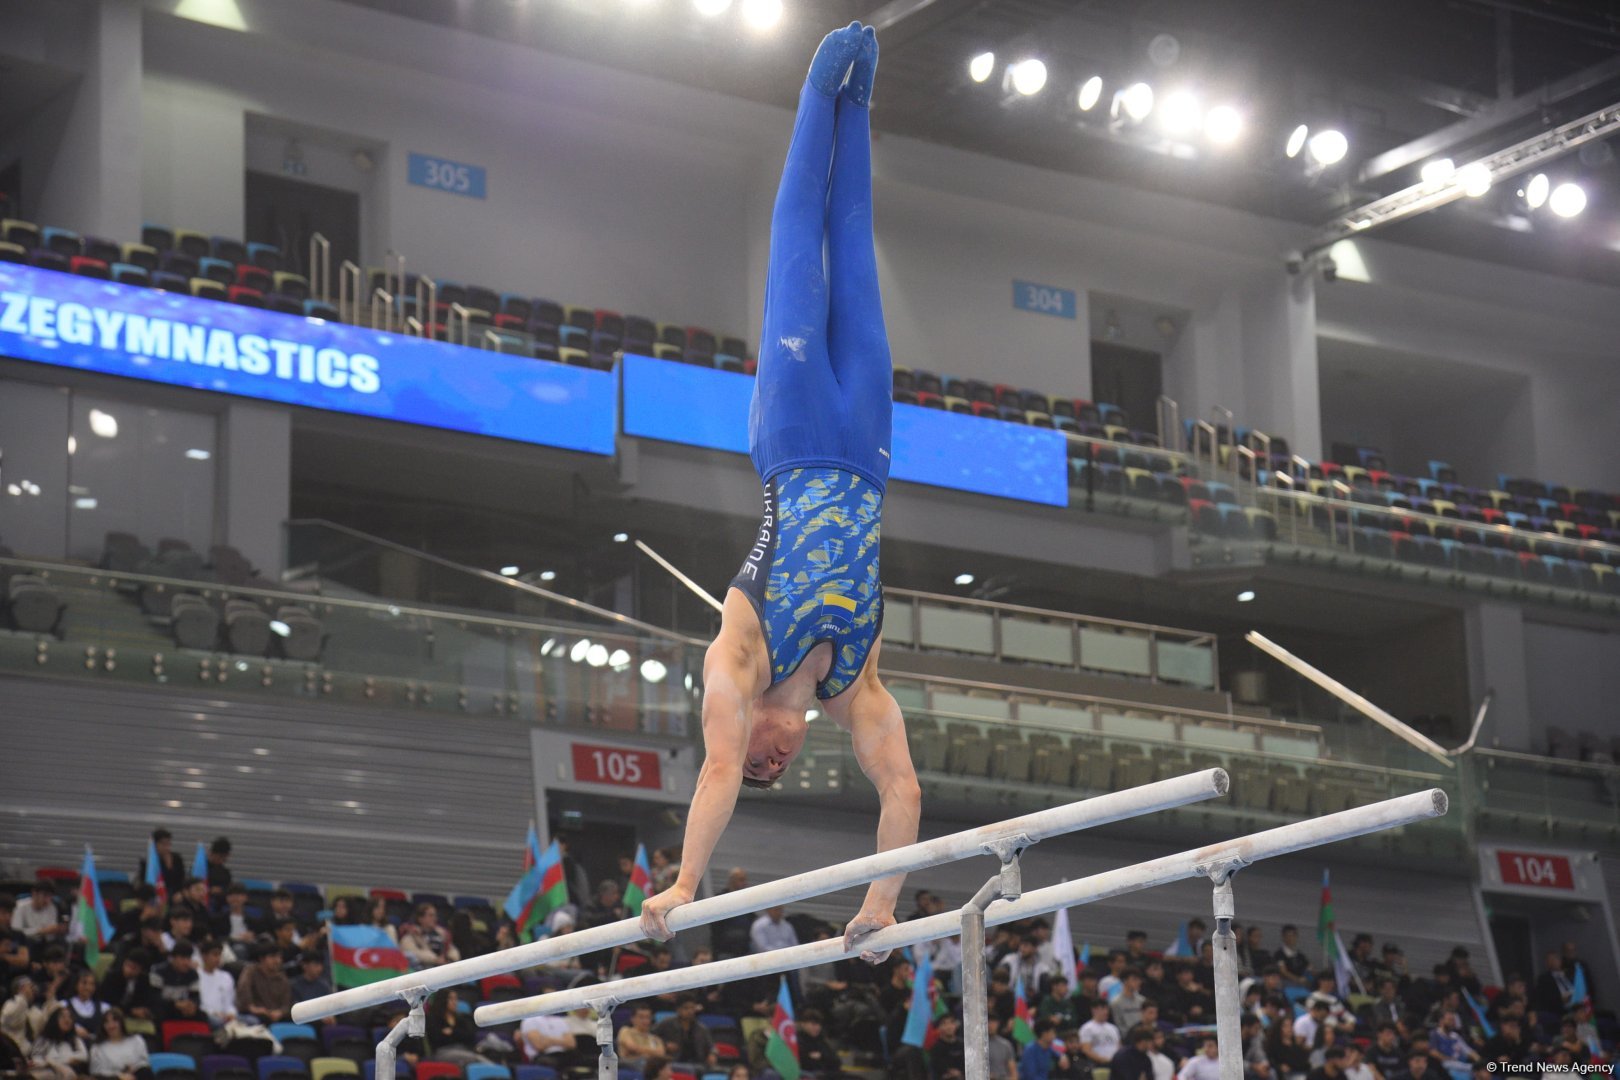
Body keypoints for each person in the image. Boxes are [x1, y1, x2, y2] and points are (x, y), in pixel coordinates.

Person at [638, 22, 921, 964]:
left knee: (800, 250)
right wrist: (882, 903)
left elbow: (717, 767)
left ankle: (817, 91)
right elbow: (902, 794)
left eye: (757, 760)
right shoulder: (857, 685)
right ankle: (862, 106)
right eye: (775, 771)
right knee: (860, 249)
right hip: (871, 452)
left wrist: (685, 885)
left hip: (797, 438)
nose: (765, 763)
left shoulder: (739, 660)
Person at [655, 994, 717, 1069]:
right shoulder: (666, 1023)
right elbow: (652, 1037)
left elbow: (712, 1046)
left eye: (692, 1008)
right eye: (686, 1008)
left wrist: (712, 1054)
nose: (690, 1011)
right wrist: (665, 1044)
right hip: (673, 1061)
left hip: (698, 1062)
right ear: (678, 1009)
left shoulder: (701, 1028)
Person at [236, 943, 292, 1024]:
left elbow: (286, 1003)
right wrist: (252, 1008)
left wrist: (280, 1012)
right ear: (262, 959)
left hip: (277, 1015)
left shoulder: (282, 979)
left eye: (279, 957)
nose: (277, 961)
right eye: (273, 957)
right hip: (256, 1013)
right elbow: (243, 990)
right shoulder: (251, 972)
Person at [88, 1008, 151, 1080]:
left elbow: (143, 1061)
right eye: (107, 1022)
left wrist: (132, 1070)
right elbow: (96, 1071)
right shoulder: (97, 1048)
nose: (111, 1025)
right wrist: (119, 1076)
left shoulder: (136, 1040)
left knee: (145, 1071)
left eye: (115, 1021)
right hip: (113, 1078)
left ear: (121, 1022)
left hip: (136, 1075)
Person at [28, 1005, 87, 1080]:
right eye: (63, 1017)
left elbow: (83, 1056)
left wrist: (54, 1061)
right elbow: (36, 1060)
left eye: (70, 1017)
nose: (67, 1020)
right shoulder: (44, 1040)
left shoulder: (75, 1040)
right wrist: (54, 1064)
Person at [148, 942, 201, 1022]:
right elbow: (154, 998)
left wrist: (191, 1005)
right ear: (173, 958)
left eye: (189, 958)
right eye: (183, 958)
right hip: (162, 1009)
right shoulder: (158, 972)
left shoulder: (192, 974)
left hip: (182, 1009)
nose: (186, 963)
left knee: (201, 1016)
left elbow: (196, 997)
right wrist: (175, 1004)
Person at [195, 941, 235, 1027]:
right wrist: (213, 1013)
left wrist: (231, 1013)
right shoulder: (196, 976)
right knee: (217, 1022)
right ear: (204, 956)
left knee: (251, 1020)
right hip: (207, 1016)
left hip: (225, 1016)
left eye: (219, 955)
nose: (218, 958)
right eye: (215, 955)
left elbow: (229, 1003)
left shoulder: (226, 976)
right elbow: (199, 1004)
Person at [2, 975, 42, 1055]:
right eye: (30, 987)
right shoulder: (10, 1004)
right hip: (12, 1050)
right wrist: (22, 997)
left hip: (33, 1051)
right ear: (21, 988)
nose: (33, 990)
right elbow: (10, 1021)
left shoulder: (36, 1011)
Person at [140, 831, 185, 901]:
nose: (166, 847)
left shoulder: (177, 859)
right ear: (155, 844)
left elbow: (181, 879)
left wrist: (181, 893)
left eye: (168, 844)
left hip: (173, 893)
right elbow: (144, 882)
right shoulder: (148, 861)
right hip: (155, 893)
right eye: (163, 844)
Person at [617, 1005, 666, 1071]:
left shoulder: (655, 1038)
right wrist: (653, 1053)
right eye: (641, 1017)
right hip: (629, 1065)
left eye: (648, 1017)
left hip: (650, 1064)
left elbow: (661, 1053)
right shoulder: (626, 1031)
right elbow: (632, 1047)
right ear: (632, 1018)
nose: (645, 1021)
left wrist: (641, 1051)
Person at [796, 1008, 841, 1079]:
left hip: (826, 1073)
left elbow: (836, 1061)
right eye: (813, 1024)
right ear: (803, 1024)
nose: (817, 1027)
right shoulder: (798, 1041)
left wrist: (821, 1056)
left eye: (819, 1025)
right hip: (809, 1074)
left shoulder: (821, 1041)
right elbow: (806, 1062)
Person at [63, 971, 107, 1040]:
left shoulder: (104, 1008)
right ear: (76, 985)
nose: (88, 987)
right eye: (84, 983)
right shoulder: (63, 1005)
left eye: (92, 984)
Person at [1079, 998, 1121, 1070]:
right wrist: (1103, 1060)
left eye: (1106, 1009)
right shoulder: (1087, 1028)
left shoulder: (1113, 1028)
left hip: (1115, 1064)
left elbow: (1119, 1046)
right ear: (1094, 1010)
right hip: (1097, 1065)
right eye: (1102, 1009)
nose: (1106, 1012)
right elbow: (1086, 1049)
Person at [927, 1011, 965, 1080]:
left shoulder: (963, 1045)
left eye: (952, 1022)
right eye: (944, 1024)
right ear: (939, 1027)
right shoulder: (936, 1049)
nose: (949, 1026)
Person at [0, 899, 30, 975]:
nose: (7, 917)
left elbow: (24, 961)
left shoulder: (18, 935)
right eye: (3, 913)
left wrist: (3, 956)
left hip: (14, 976)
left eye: (10, 913)